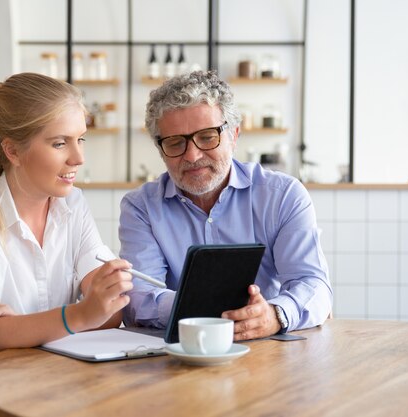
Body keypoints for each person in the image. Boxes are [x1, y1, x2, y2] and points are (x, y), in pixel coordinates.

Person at [0, 72, 133, 417]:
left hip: (46, 376)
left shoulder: (72, 205)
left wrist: (18, 326)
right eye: (60, 143)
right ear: (13, 150)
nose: (78, 158)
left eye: (81, 139)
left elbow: (107, 310)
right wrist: (78, 314)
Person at [119, 70, 332, 341]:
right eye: (175, 143)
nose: (193, 156)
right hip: (181, 354)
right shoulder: (140, 208)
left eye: (207, 137)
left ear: (234, 135)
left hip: (267, 351)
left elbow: (313, 285)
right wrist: (211, 308)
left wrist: (275, 314)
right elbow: (137, 298)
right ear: (161, 150)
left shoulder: (284, 195)